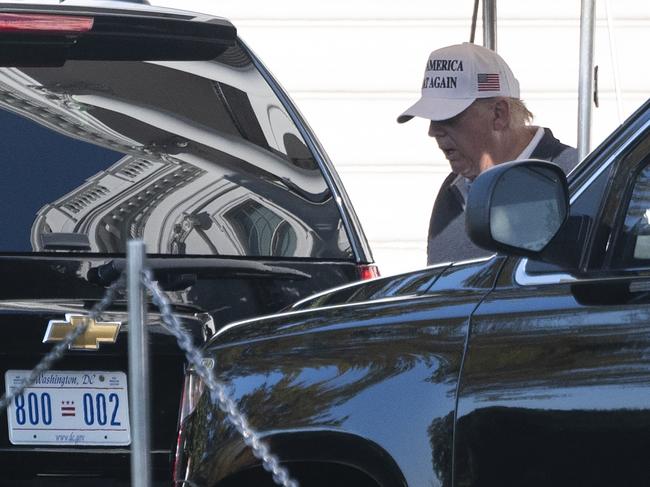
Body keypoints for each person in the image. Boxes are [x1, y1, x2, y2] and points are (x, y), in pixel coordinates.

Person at [397, 42, 578, 265]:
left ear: (499, 114)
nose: (433, 131)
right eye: (432, 119)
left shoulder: (577, 175)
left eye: (447, 118)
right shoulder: (452, 189)